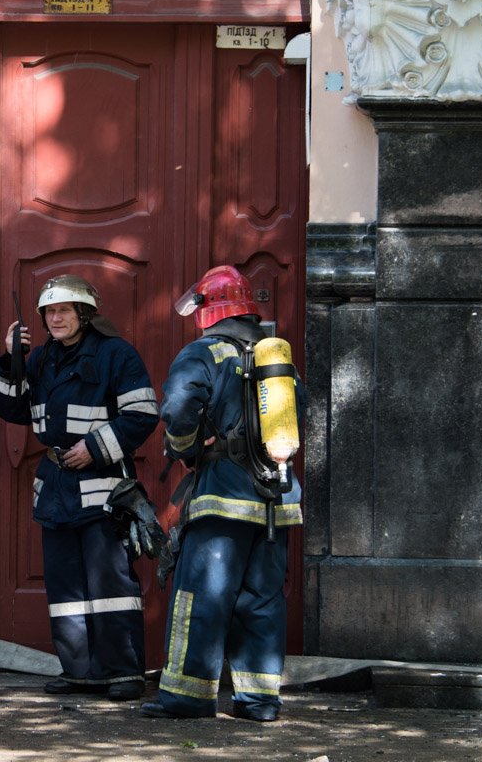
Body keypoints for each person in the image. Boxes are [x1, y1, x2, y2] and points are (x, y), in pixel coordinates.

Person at [142, 264, 303, 722]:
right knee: (262, 601)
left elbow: (177, 408)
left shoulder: (203, 352)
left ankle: (187, 698)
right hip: (276, 502)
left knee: (201, 598)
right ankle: (260, 702)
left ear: (208, 309)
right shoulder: (275, 359)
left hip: (222, 500)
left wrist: (187, 448)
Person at [0, 274, 161, 702]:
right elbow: (12, 408)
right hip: (56, 487)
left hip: (103, 487)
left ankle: (124, 672)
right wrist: (11, 360)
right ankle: (79, 671)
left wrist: (94, 448)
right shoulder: (41, 358)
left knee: (111, 584)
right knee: (65, 585)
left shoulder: (116, 354)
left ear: (84, 313)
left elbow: (142, 414)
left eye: (63, 310)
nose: (55, 318)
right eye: (49, 312)